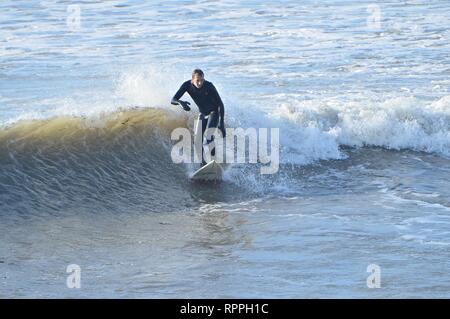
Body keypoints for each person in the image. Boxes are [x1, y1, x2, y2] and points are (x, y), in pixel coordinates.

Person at [171, 69, 226, 166]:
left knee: (209, 137)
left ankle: (214, 162)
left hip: (214, 112)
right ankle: (203, 164)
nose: (200, 83)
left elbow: (220, 104)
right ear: (192, 80)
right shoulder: (186, 85)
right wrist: (180, 103)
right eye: (198, 81)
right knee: (197, 141)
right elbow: (173, 99)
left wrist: (221, 123)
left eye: (202, 80)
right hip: (203, 113)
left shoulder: (209, 86)